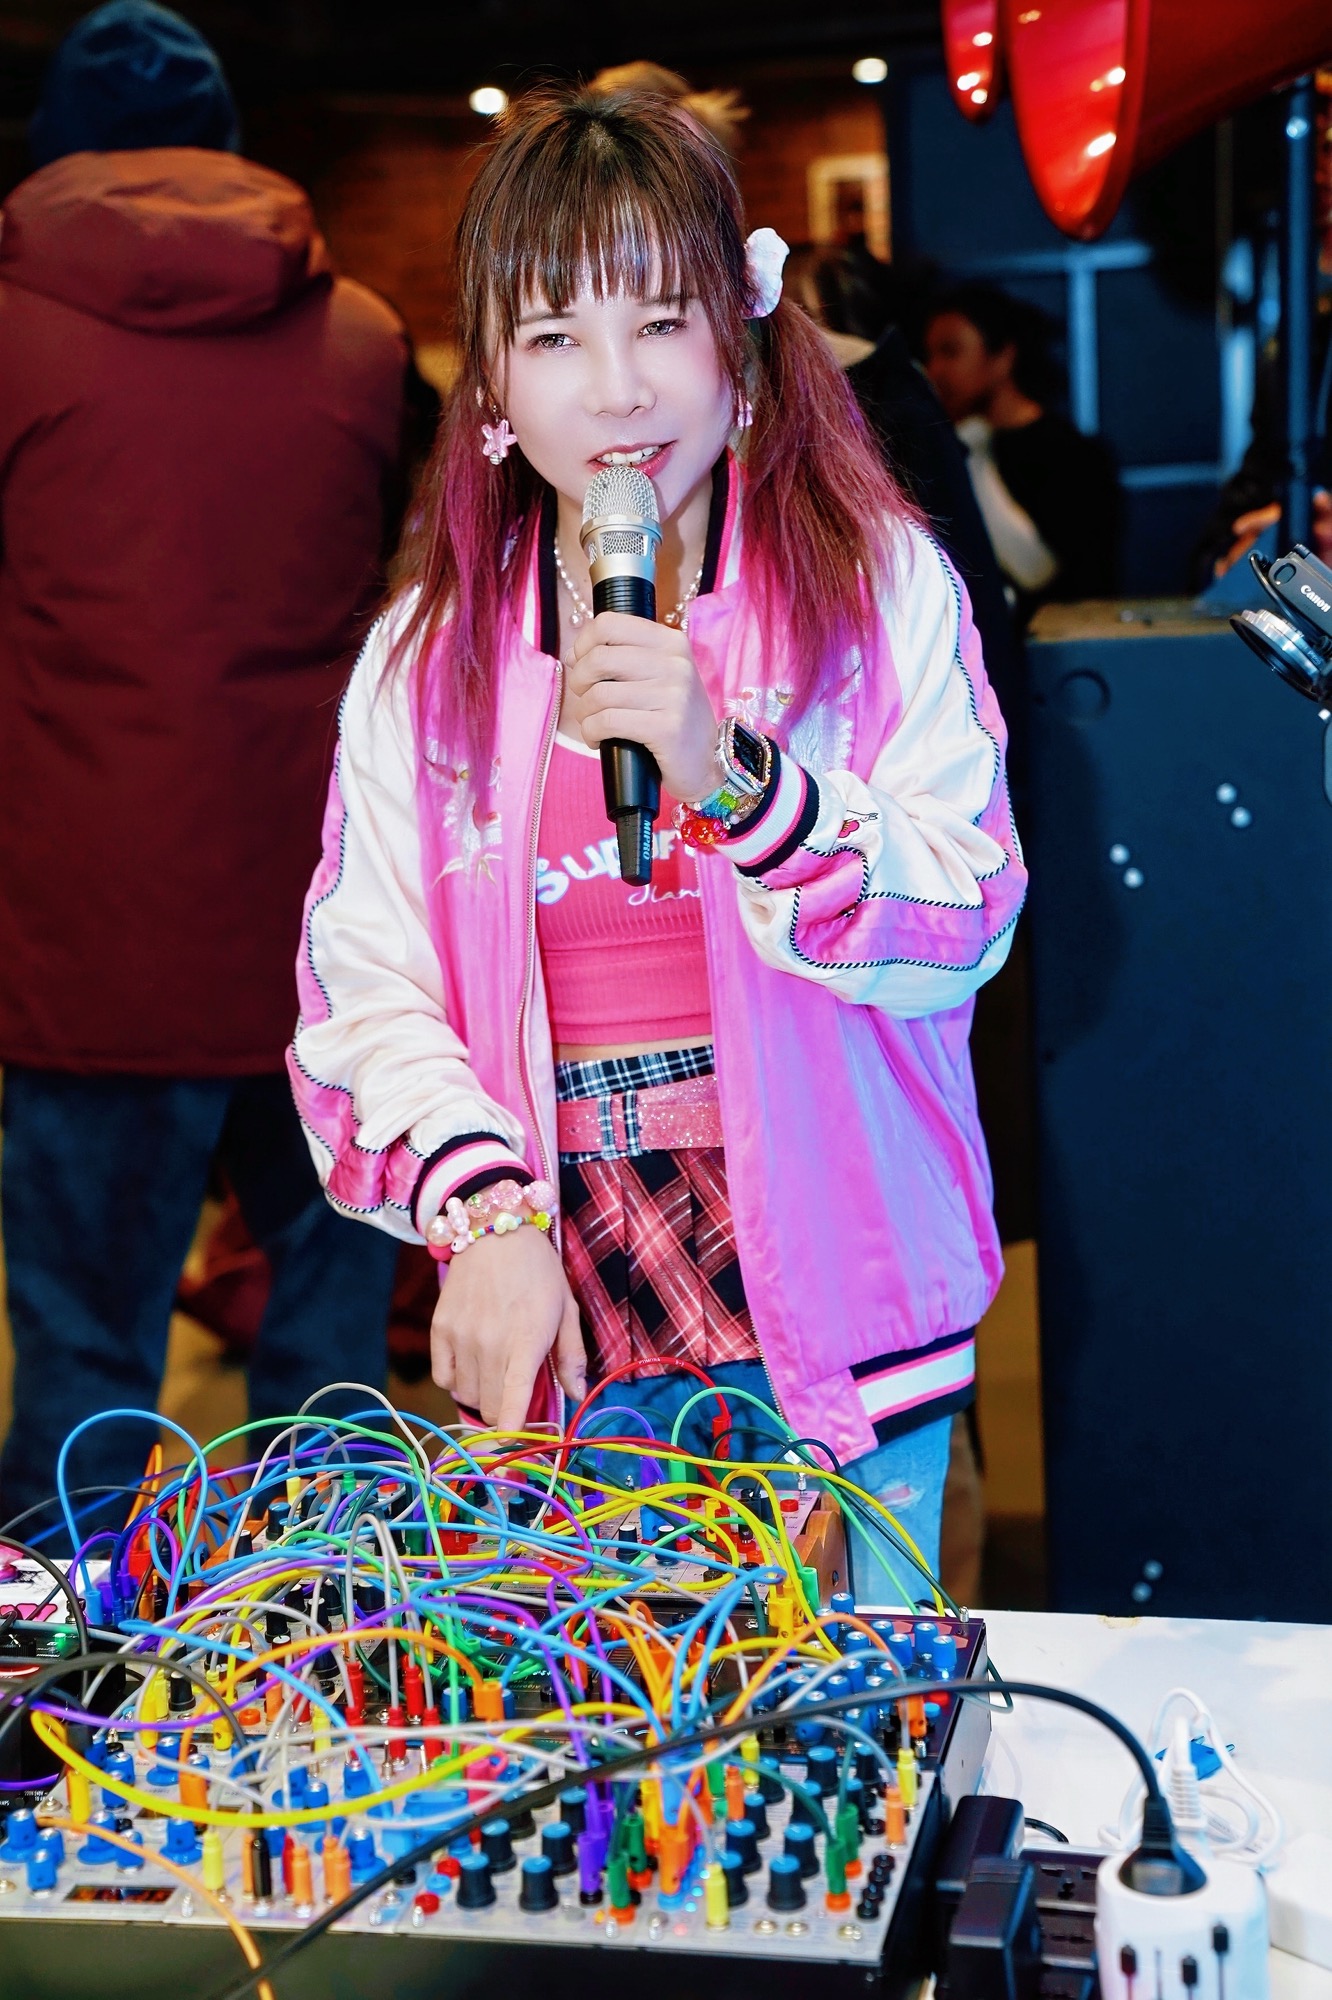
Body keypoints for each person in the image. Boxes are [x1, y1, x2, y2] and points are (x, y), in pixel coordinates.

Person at [289, 87, 1026, 1602]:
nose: (619, 391)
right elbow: (361, 991)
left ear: (740, 346)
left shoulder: (878, 590)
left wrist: (739, 778)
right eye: (557, 336)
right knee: (617, 1745)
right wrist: (487, 1209)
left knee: (862, 1721)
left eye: (662, 323)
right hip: (569, 1313)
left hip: (843, 1325)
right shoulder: (424, 665)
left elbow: (971, 908)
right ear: (493, 386)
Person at [0, 0, 412, 1530]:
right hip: (328, 919)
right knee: (331, 1374)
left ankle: (64, 1668)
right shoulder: (365, 336)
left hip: (86, 927)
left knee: (83, 1369)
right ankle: (338, 1646)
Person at [924, 281, 1120, 617]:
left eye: (951, 352)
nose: (935, 371)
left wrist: (974, 457)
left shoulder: (1071, 455)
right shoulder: (945, 447)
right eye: (930, 356)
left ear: (1002, 357)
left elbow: (1037, 571)